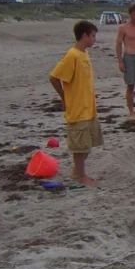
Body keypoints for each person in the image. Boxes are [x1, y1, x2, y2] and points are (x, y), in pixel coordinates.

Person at [49, 20, 103, 187]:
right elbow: (54, 77)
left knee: (88, 144)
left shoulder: (84, 54)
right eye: (93, 36)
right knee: (80, 147)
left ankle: (77, 172)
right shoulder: (72, 55)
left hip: (89, 108)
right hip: (78, 109)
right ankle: (80, 176)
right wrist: (64, 98)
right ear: (84, 35)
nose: (95, 39)